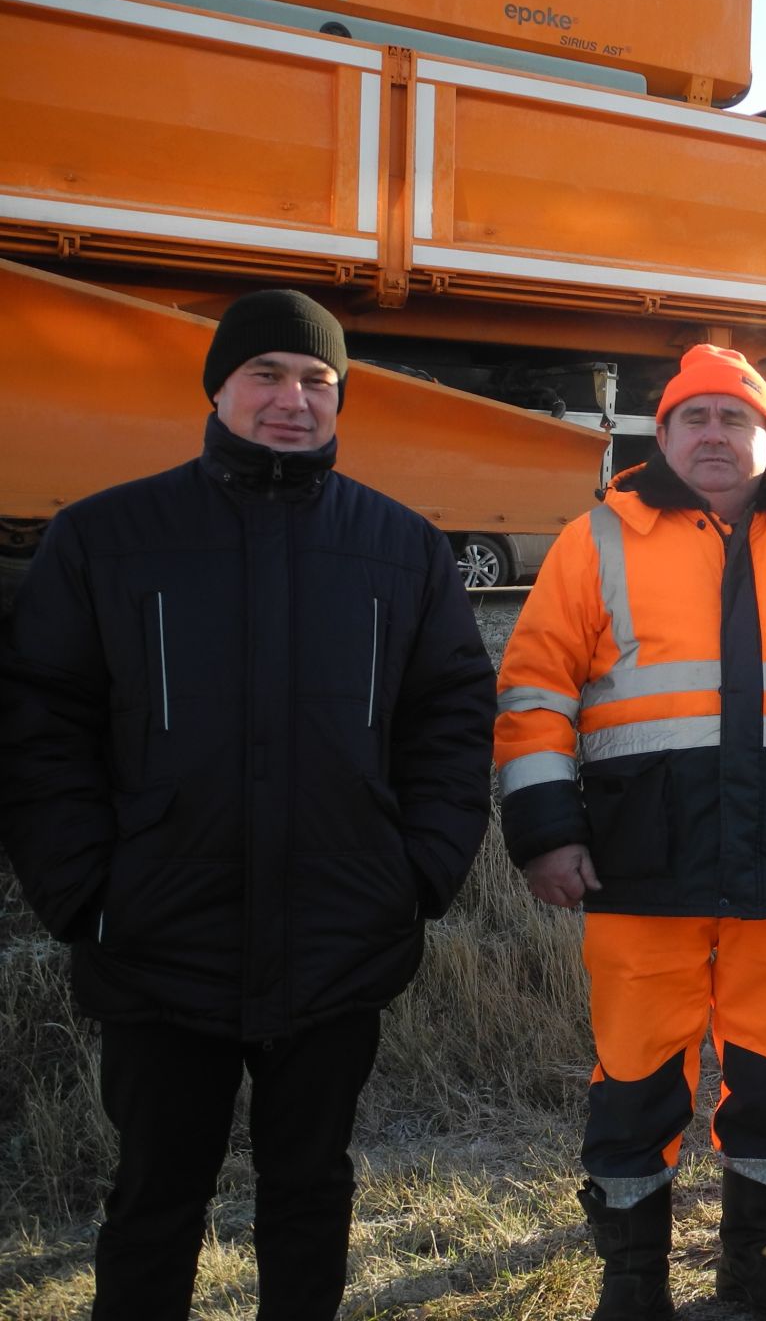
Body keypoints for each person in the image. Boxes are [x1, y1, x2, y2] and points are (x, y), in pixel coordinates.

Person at [0, 290, 496, 1321]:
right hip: (154, 937)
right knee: (153, 1196)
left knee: (311, 1191)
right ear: (218, 388)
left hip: (339, 936)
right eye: (267, 374)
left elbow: (448, 717)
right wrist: (85, 891)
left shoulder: (399, 549)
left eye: (318, 380)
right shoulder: (107, 538)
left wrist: (418, 873)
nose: (293, 399)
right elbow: (41, 723)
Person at [493, 344, 766, 1321]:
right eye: (696, 419)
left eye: (737, 420)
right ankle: (633, 1281)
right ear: (664, 436)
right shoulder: (594, 541)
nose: (715, 435)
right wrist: (544, 831)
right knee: (637, 1077)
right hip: (641, 862)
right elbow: (532, 696)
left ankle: (752, 1262)